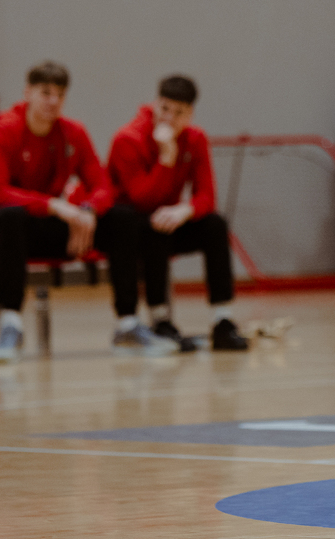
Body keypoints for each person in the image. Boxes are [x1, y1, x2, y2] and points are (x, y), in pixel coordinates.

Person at [0, 62, 157, 362]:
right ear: (27, 93)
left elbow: (102, 186)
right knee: (11, 217)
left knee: (122, 218)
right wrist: (54, 205)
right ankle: (11, 324)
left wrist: (88, 210)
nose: (53, 101)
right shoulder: (2, 130)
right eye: (45, 93)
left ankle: (128, 323)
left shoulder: (73, 132)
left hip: (47, 226)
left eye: (60, 94)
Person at [99, 75, 248, 351]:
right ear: (156, 104)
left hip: (165, 218)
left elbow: (207, 196)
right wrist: (167, 156)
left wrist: (185, 210)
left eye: (178, 113)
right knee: (153, 224)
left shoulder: (196, 138)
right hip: (127, 229)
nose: (169, 118)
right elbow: (142, 199)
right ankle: (161, 320)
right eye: (164, 109)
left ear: (190, 114)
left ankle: (222, 320)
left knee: (215, 225)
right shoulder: (127, 138)